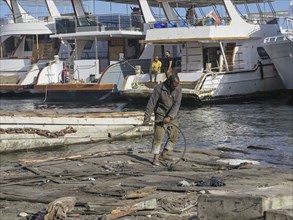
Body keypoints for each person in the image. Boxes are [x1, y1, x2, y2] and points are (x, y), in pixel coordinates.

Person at [143, 75, 182, 166]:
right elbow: (151, 104)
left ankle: (164, 153)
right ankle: (155, 158)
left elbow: (177, 104)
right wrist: (147, 119)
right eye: (174, 86)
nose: (175, 88)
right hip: (160, 114)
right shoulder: (158, 89)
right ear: (169, 83)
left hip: (173, 115)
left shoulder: (178, 88)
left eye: (177, 86)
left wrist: (170, 116)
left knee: (174, 135)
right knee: (158, 136)